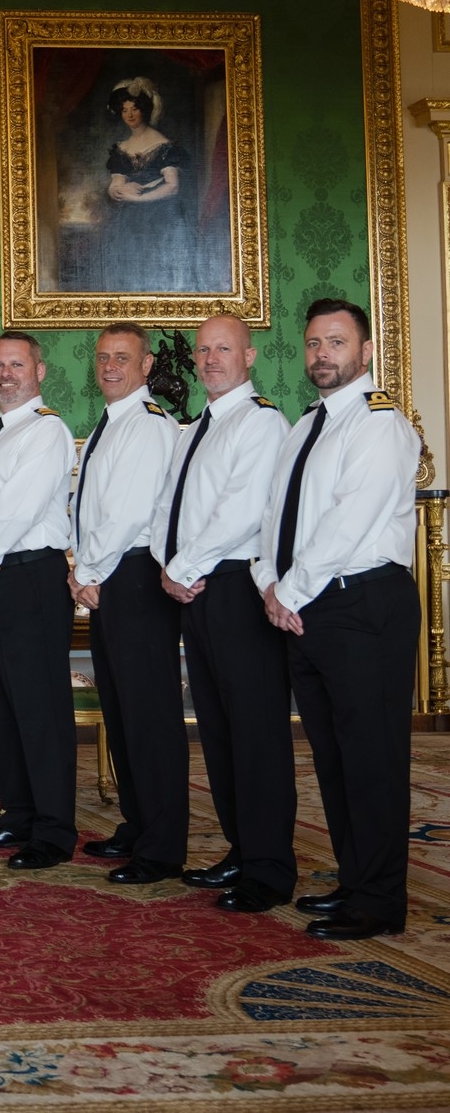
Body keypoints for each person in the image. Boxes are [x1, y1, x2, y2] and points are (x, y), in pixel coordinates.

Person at [256, 299, 420, 940]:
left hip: (363, 602)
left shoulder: (380, 425)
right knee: (334, 756)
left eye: (337, 342)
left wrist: (288, 590)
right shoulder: (306, 427)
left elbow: (348, 523)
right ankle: (356, 881)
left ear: (366, 350)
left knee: (372, 757)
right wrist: (267, 582)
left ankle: (380, 901)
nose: (322, 354)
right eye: (314, 344)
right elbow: (277, 518)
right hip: (308, 605)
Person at [149, 314, 294, 912]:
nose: (210, 359)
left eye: (223, 349)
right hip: (192, 585)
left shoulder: (261, 423)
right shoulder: (191, 429)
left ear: (249, 356)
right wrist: (167, 564)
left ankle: (270, 868)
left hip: (233, 584)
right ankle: (241, 848)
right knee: (217, 728)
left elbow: (240, 513)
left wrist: (180, 568)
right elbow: (166, 507)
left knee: (255, 731)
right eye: (204, 350)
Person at [0, 330, 78, 870]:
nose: (5, 374)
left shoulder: (47, 432)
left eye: (17, 364)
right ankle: (19, 815)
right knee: (4, 707)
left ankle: (53, 830)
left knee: (40, 709)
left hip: (29, 579)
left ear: (39, 372)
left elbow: (15, 511)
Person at [68, 323, 184, 885]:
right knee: (121, 710)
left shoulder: (149, 425)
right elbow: (90, 510)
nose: (110, 366)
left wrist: (87, 573)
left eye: (122, 357)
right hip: (108, 575)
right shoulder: (108, 426)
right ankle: (139, 825)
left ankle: (162, 847)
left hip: (134, 574)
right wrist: (87, 573)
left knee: (150, 716)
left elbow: (129, 514)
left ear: (146, 365)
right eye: (103, 357)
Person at [99, 79, 200, 294]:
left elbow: (172, 186)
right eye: (124, 110)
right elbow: (115, 185)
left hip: (163, 218)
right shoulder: (121, 148)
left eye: (134, 109)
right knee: (129, 268)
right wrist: (119, 190)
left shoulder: (164, 145)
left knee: (162, 268)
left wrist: (139, 198)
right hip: (131, 222)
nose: (129, 115)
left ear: (144, 110)